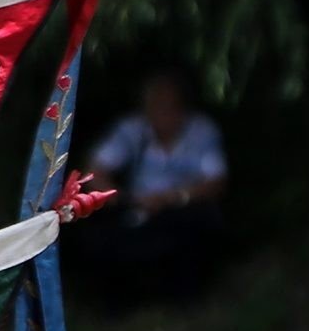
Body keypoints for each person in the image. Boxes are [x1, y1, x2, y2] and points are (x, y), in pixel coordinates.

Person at [73, 69, 227, 307]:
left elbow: (216, 181)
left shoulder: (201, 132)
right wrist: (118, 197)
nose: (160, 113)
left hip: (181, 208)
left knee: (203, 221)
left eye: (168, 106)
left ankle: (187, 300)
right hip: (137, 207)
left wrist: (175, 197)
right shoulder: (132, 129)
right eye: (154, 105)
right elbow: (95, 169)